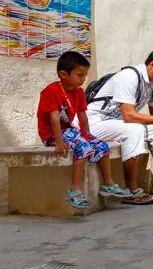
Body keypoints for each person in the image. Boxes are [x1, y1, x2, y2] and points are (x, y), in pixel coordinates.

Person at [86, 46, 153, 203]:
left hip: (117, 123)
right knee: (134, 130)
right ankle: (131, 191)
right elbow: (129, 116)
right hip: (96, 122)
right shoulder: (129, 76)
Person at [37, 51, 134, 213]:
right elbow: (54, 117)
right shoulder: (52, 90)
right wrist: (59, 142)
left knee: (102, 145)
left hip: (69, 131)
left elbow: (82, 115)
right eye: (79, 75)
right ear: (63, 74)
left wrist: (87, 134)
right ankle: (75, 189)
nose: (83, 79)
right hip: (52, 134)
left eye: (85, 75)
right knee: (82, 147)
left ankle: (108, 185)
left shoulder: (78, 91)